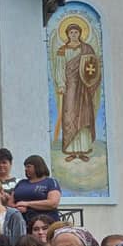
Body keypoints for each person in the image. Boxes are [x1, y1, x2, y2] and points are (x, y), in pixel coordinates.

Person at [53, 23, 101, 162]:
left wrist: (90, 82)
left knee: (84, 115)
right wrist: (61, 84)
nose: (74, 34)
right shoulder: (63, 50)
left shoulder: (87, 49)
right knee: (70, 116)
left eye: (76, 32)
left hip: (84, 87)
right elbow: (59, 69)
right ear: (67, 34)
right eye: (71, 32)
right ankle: (71, 150)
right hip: (70, 87)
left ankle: (83, 149)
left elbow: (93, 67)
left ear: (80, 33)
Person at [10, 156, 62, 225]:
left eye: (28, 166)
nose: (26, 169)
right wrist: (17, 208)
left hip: (46, 224)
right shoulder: (21, 183)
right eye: (25, 167)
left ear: (38, 166)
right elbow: (10, 203)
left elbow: (53, 203)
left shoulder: (50, 182)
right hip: (23, 224)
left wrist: (27, 204)